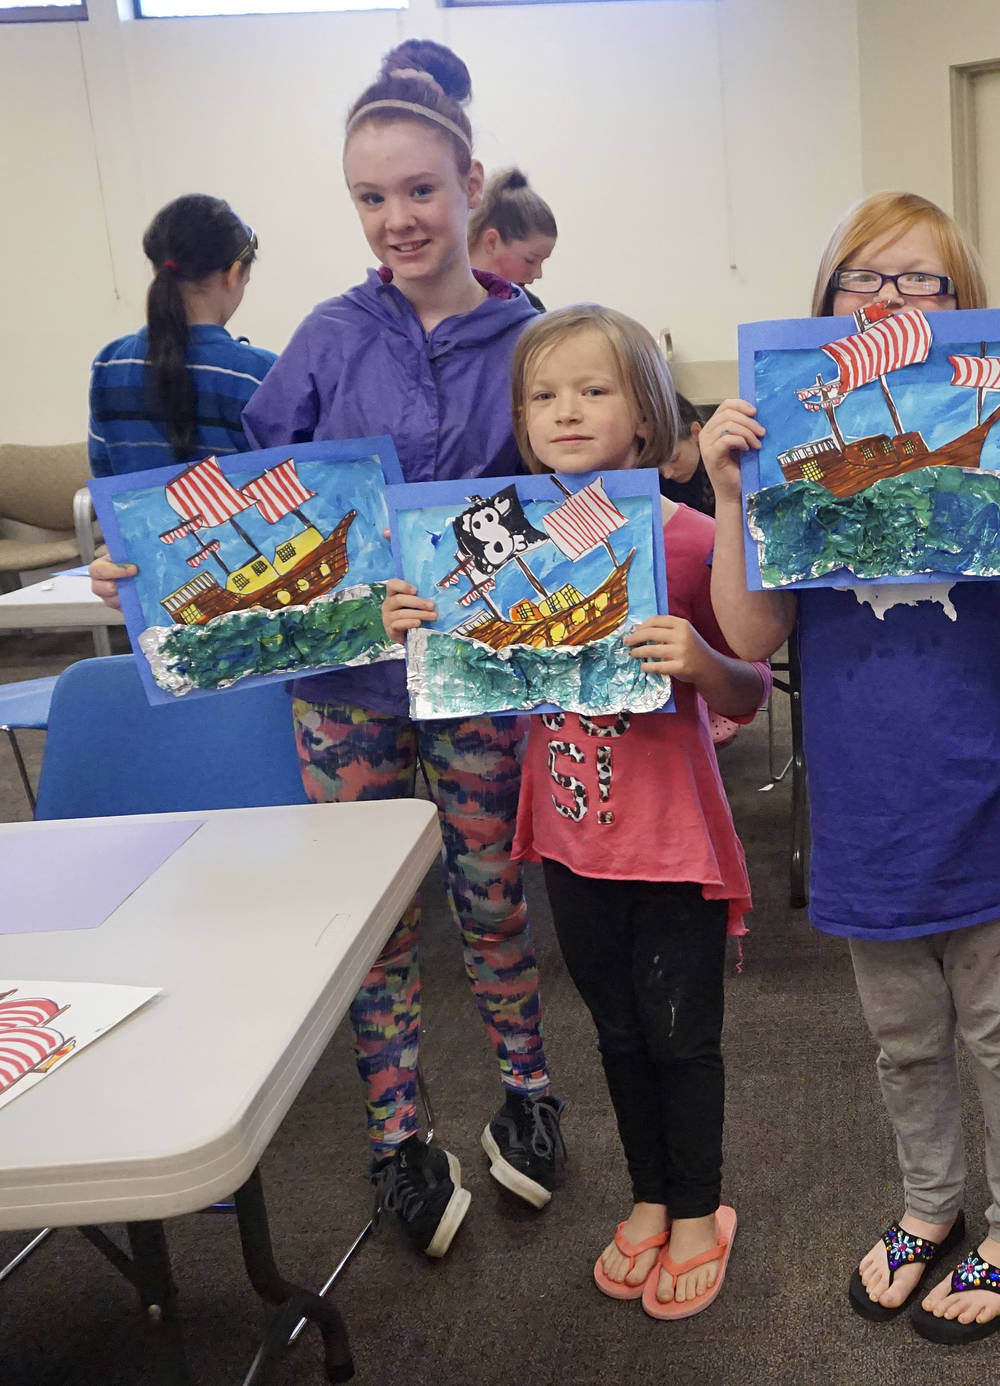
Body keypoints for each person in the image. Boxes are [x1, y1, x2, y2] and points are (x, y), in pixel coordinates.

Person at [699, 191, 1000, 1344]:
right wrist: (732, 496)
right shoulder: (794, 447)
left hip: (989, 793)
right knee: (902, 1039)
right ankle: (931, 1207)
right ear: (825, 304)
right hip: (865, 810)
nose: (887, 300)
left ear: (962, 308)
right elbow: (749, 633)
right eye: (861, 281)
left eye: (919, 282)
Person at [382, 305, 767, 1317]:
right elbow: (462, 655)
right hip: (565, 839)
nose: (565, 411)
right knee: (616, 1036)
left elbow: (751, 686)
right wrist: (414, 619)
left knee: (682, 1038)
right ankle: (650, 1195)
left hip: (671, 843)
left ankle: (698, 1208)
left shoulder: (682, 536)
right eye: (543, 395)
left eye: (594, 390)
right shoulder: (496, 536)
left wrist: (706, 661)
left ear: (645, 419)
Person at [243, 39, 556, 1260]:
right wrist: (149, 566)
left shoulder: (533, 336)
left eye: (419, 190)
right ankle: (395, 1134)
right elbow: (258, 507)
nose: (397, 219)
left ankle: (528, 1092)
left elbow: (570, 504)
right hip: (344, 692)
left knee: (488, 899)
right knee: (373, 921)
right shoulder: (326, 337)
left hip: (480, 679)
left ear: (468, 181)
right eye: (370, 198)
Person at [88, 194, 274, 476]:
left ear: (155, 269)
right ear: (234, 273)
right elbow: (294, 485)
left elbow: (106, 480)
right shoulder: (260, 375)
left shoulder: (109, 365)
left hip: (136, 522)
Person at [469, 168, 557, 310]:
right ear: (492, 242)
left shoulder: (532, 312)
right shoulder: (432, 297)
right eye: (530, 260)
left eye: (542, 262)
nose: (538, 274)